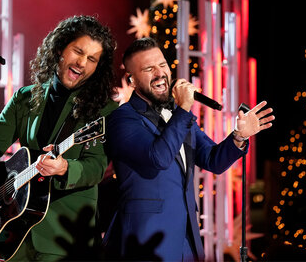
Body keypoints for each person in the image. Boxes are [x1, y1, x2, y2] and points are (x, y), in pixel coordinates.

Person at [103, 37, 275, 261]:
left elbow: (213, 160)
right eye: (148, 68)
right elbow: (158, 157)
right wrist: (183, 108)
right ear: (132, 80)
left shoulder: (177, 115)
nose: (159, 73)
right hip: (146, 241)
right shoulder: (122, 119)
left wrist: (239, 135)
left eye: (162, 65)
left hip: (187, 240)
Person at [0, 15, 118, 261]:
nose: (82, 63)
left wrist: (65, 168)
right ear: (60, 48)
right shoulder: (26, 98)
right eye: (78, 51)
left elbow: (96, 166)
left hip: (66, 236)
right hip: (13, 232)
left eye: (92, 59)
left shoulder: (104, 111)